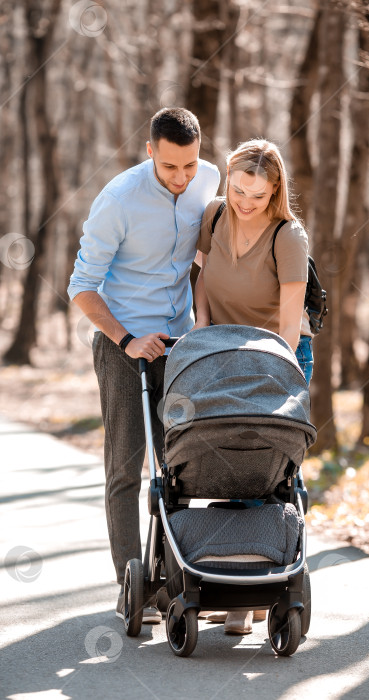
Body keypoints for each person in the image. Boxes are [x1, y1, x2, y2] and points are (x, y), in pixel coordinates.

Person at [67, 107, 220, 624]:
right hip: (123, 345)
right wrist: (126, 338)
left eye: (190, 166)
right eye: (170, 166)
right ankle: (132, 584)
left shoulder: (211, 180)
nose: (182, 178)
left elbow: (203, 256)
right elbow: (81, 287)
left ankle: (176, 574)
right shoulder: (118, 200)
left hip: (180, 346)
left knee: (181, 465)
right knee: (126, 469)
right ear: (150, 151)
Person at [194, 138, 313, 634]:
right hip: (219, 350)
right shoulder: (215, 215)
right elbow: (200, 280)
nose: (245, 202)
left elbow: (288, 324)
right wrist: (200, 338)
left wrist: (273, 370)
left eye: (257, 196)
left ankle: (252, 593)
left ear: (275, 192)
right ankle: (228, 573)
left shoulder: (288, 236)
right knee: (220, 460)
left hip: (277, 355)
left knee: (261, 463)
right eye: (238, 189)